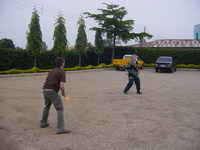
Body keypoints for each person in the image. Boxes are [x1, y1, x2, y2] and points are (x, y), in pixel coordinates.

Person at [40, 57, 70, 134]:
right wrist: (63, 94)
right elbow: (62, 86)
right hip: (52, 91)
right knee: (60, 109)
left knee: (46, 107)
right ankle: (60, 128)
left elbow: (47, 81)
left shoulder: (51, 70)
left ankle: (43, 123)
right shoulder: (62, 72)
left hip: (45, 90)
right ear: (62, 63)